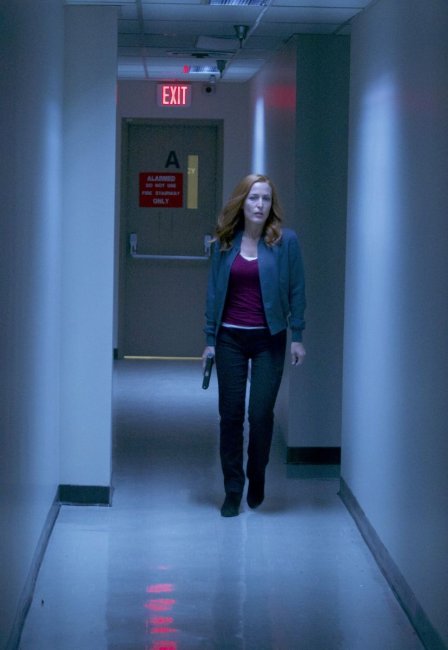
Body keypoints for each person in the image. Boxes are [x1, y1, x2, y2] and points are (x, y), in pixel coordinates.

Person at [202, 173, 306, 517]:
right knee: (230, 416)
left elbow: (297, 290)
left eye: (266, 198)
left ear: (271, 204)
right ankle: (233, 489)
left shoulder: (286, 242)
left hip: (269, 339)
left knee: (260, 415)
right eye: (253, 198)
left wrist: (298, 336)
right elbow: (214, 292)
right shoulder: (224, 242)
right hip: (229, 338)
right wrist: (209, 340)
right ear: (242, 202)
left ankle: (256, 473)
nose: (260, 204)